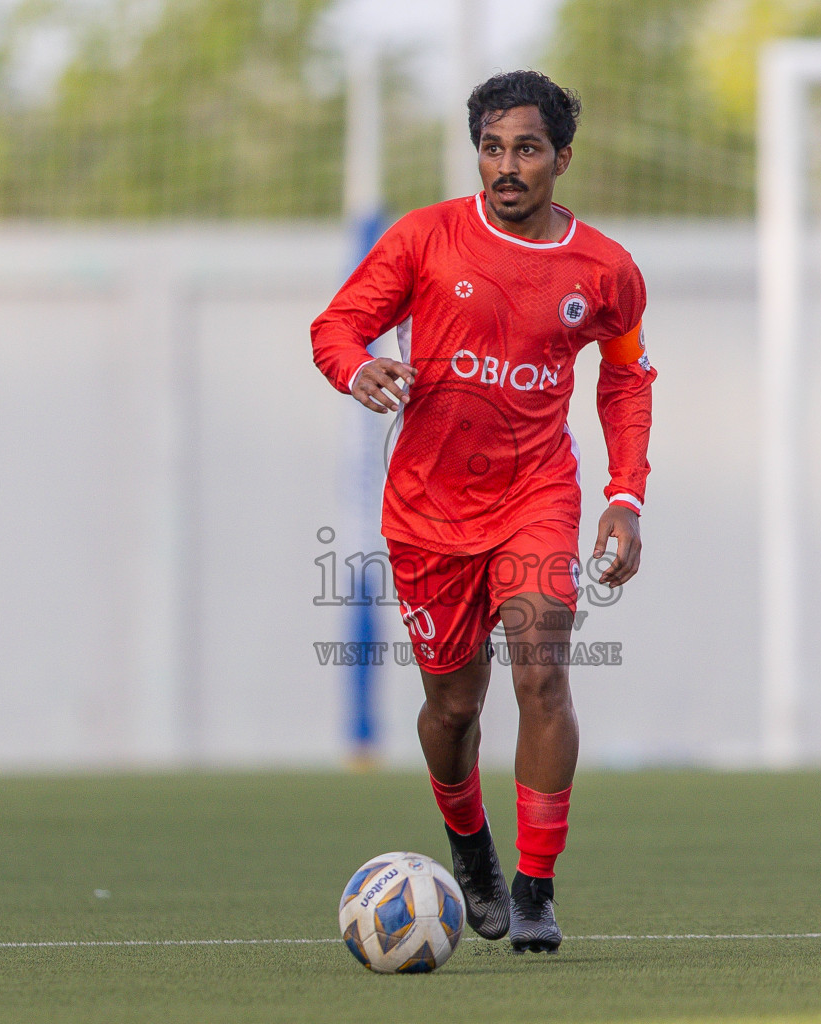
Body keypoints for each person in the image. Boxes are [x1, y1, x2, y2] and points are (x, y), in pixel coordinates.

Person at [311, 70, 655, 954]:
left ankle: (536, 887)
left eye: (527, 149)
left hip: (536, 492)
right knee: (454, 708)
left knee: (542, 669)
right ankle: (471, 847)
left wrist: (625, 495)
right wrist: (359, 369)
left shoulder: (606, 272)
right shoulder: (426, 239)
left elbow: (625, 377)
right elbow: (336, 326)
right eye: (493, 148)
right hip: (427, 509)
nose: (507, 166)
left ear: (561, 159)